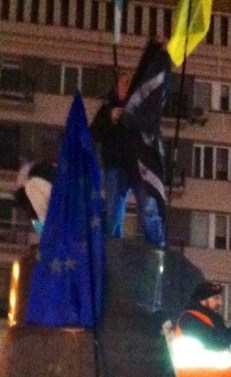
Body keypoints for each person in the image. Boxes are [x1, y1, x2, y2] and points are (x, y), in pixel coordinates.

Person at [89, 39, 171, 248]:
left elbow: (145, 71)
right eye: (123, 82)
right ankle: (112, 249)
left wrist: (154, 48)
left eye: (129, 82)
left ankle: (157, 249)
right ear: (115, 87)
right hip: (116, 165)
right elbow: (94, 134)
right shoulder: (107, 109)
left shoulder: (139, 106)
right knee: (113, 211)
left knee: (148, 206)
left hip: (139, 164)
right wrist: (110, 117)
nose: (127, 85)